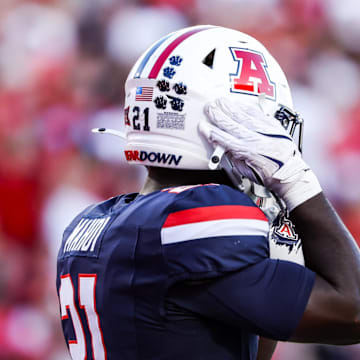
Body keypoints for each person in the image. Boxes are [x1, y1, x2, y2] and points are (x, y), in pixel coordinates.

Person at [56, 25, 360, 360]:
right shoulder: (198, 216)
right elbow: (354, 312)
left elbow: (248, 342)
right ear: (226, 123)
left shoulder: (91, 222)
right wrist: (295, 180)